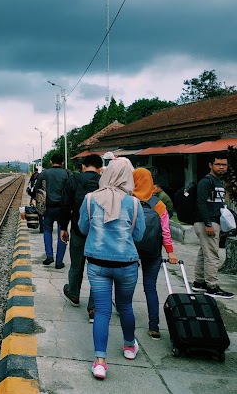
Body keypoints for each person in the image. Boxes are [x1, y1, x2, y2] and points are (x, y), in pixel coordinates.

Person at [78, 158, 146, 380]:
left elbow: (82, 228)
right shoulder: (134, 204)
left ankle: (99, 362)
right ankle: (129, 346)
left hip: (97, 265)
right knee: (125, 306)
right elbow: (139, 235)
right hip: (126, 264)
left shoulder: (90, 200)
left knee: (102, 310)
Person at [132, 168, 178, 340]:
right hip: (153, 251)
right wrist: (171, 252)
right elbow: (166, 232)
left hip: (131, 251)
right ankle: (154, 326)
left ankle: (124, 313)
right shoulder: (159, 204)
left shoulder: (129, 201)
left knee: (125, 285)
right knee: (150, 288)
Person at [60, 153, 102, 322]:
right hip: (99, 231)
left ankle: (74, 293)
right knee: (97, 268)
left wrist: (64, 227)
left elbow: (66, 204)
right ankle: (93, 308)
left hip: (78, 228)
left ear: (83, 165)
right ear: (100, 168)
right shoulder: (103, 181)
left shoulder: (73, 180)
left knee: (76, 263)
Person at [191, 153, 233, 299]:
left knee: (204, 252)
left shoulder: (218, 182)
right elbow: (201, 203)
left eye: (224, 164)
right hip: (206, 222)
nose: (221, 167)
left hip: (212, 221)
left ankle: (199, 282)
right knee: (212, 255)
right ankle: (212, 287)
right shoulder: (206, 182)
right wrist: (208, 223)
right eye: (218, 164)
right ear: (210, 165)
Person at [34, 153, 70, 268]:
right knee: (62, 231)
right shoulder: (67, 174)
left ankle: (49, 256)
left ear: (51, 162)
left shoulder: (44, 173)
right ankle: (59, 262)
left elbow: (36, 190)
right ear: (62, 162)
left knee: (47, 230)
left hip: (48, 208)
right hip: (63, 209)